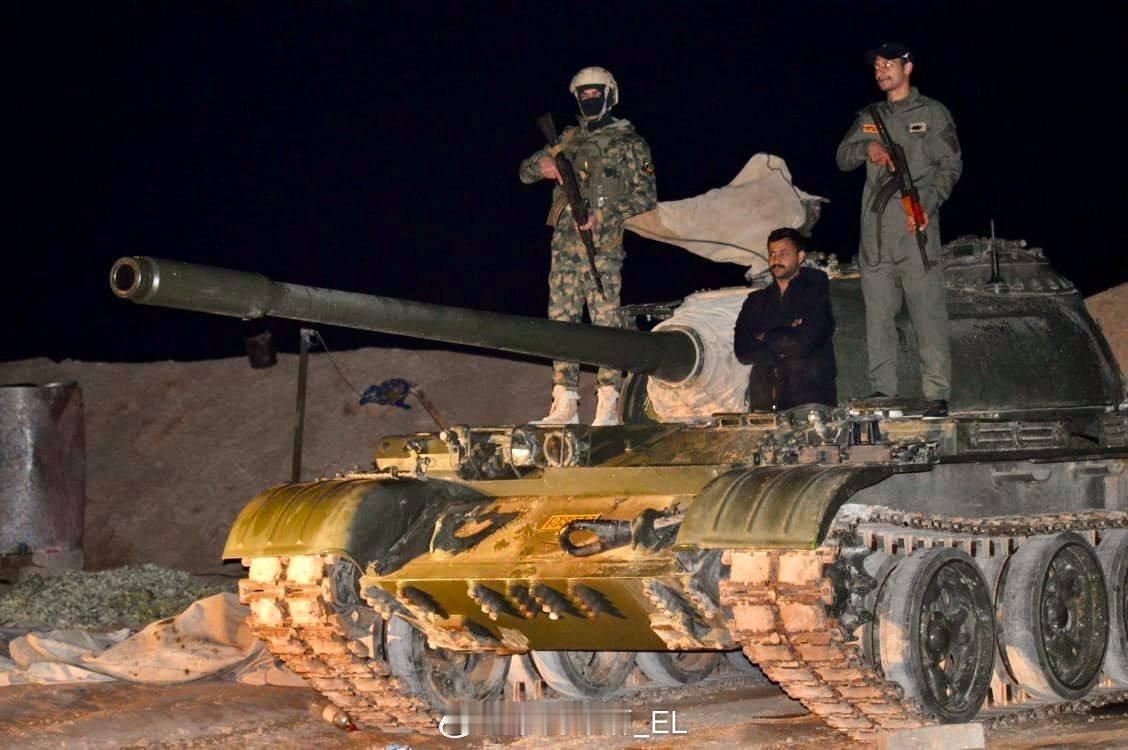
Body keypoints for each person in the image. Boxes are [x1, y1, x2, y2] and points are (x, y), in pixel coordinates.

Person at [519, 66, 657, 425]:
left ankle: (608, 400)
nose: (590, 99)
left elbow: (646, 197)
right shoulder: (567, 138)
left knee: (605, 322)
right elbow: (525, 172)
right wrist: (543, 164)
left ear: (610, 95)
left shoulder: (631, 143)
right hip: (565, 246)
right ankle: (564, 401)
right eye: (584, 94)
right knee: (561, 320)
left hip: (602, 247)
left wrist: (603, 215)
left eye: (596, 93)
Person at [835, 42, 962, 417]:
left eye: (888, 64)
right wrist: (868, 148)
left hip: (915, 230)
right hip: (874, 236)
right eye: (876, 66)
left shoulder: (932, 113)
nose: (881, 71)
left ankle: (936, 394)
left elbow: (950, 166)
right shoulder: (869, 117)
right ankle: (883, 391)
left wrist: (928, 204)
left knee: (927, 313)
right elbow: (842, 157)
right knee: (878, 318)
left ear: (908, 67)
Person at [733, 228, 836, 411]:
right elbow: (742, 350)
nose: (776, 259)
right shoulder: (756, 301)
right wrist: (788, 335)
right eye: (772, 253)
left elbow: (807, 341)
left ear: (800, 256)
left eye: (784, 253)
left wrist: (765, 336)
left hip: (809, 401)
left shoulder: (815, 294)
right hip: (764, 403)